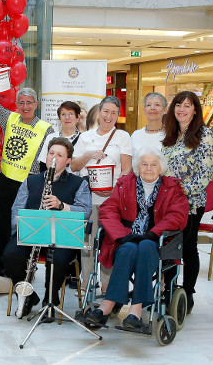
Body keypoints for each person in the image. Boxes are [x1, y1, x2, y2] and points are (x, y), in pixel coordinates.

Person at [84, 147, 188, 328]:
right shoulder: (125, 183)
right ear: (138, 167)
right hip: (127, 238)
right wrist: (121, 236)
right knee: (128, 249)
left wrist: (154, 232)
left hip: (156, 241)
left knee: (146, 247)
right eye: (144, 164)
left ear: (161, 168)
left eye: (153, 165)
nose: (148, 168)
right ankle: (108, 305)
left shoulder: (172, 187)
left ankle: (136, 310)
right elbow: (109, 210)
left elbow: (177, 215)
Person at [2, 138, 92, 317]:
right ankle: (27, 296)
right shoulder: (31, 181)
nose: (54, 158)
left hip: (61, 237)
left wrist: (61, 206)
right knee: (9, 255)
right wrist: (23, 226)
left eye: (60, 155)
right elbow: (17, 209)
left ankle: (51, 300)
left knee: (58, 259)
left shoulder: (78, 183)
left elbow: (85, 212)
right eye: (51, 153)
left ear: (68, 160)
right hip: (32, 234)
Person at [0, 87, 54, 263]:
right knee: (2, 224)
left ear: (36, 104)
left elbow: (48, 160)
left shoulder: (47, 129)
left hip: (29, 184)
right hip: (6, 181)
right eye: (21, 102)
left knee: (26, 226)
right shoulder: (10, 118)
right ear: (16, 104)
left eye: (29, 102)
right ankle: (1, 262)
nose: (25, 106)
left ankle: (23, 264)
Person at [162, 91, 213, 313]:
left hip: (191, 202)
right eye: (178, 105)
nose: (181, 109)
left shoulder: (204, 134)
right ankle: (169, 290)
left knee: (188, 247)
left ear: (195, 110)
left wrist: (180, 191)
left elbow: (205, 174)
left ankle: (188, 293)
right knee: (168, 246)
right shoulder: (171, 134)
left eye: (187, 105)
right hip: (167, 203)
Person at [70, 96, 133, 284]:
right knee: (87, 243)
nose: (109, 116)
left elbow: (127, 169)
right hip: (88, 199)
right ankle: (86, 283)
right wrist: (89, 154)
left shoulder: (123, 136)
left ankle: (107, 286)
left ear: (118, 115)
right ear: (99, 112)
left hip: (112, 201)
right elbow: (74, 166)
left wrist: (113, 190)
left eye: (114, 113)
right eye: (106, 111)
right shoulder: (85, 137)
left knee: (110, 243)